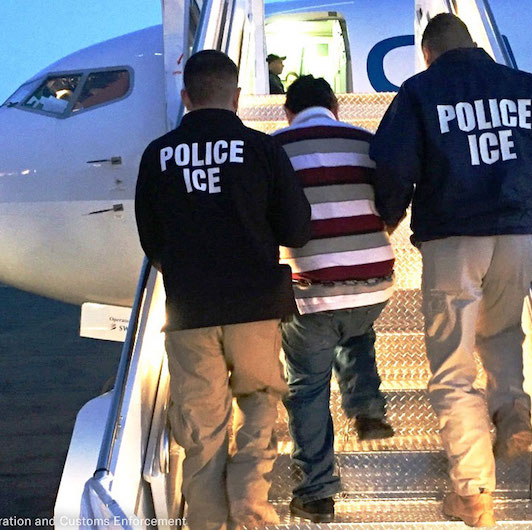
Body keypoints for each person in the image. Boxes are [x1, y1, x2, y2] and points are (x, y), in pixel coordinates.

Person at [370, 14, 532, 527]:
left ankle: (473, 492)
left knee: (453, 367)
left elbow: (392, 162)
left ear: (427, 54)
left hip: (455, 241)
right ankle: (511, 412)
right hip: (519, 238)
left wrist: (389, 214)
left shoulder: (420, 92)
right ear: (474, 44)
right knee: (501, 334)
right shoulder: (523, 86)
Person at [134, 50, 311, 530]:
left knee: (201, 430)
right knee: (259, 405)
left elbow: (152, 241)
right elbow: (297, 229)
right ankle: (251, 508)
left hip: (190, 312)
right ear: (236, 97)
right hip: (255, 305)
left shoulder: (157, 155)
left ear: (186, 96)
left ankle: (208, 522)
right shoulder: (262, 149)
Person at [273, 75, 396, 523]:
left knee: (307, 387)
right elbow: (392, 196)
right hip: (375, 281)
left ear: (288, 112)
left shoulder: (275, 147)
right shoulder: (366, 141)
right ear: (335, 107)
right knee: (354, 327)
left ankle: (316, 491)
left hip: (312, 288)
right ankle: (367, 410)